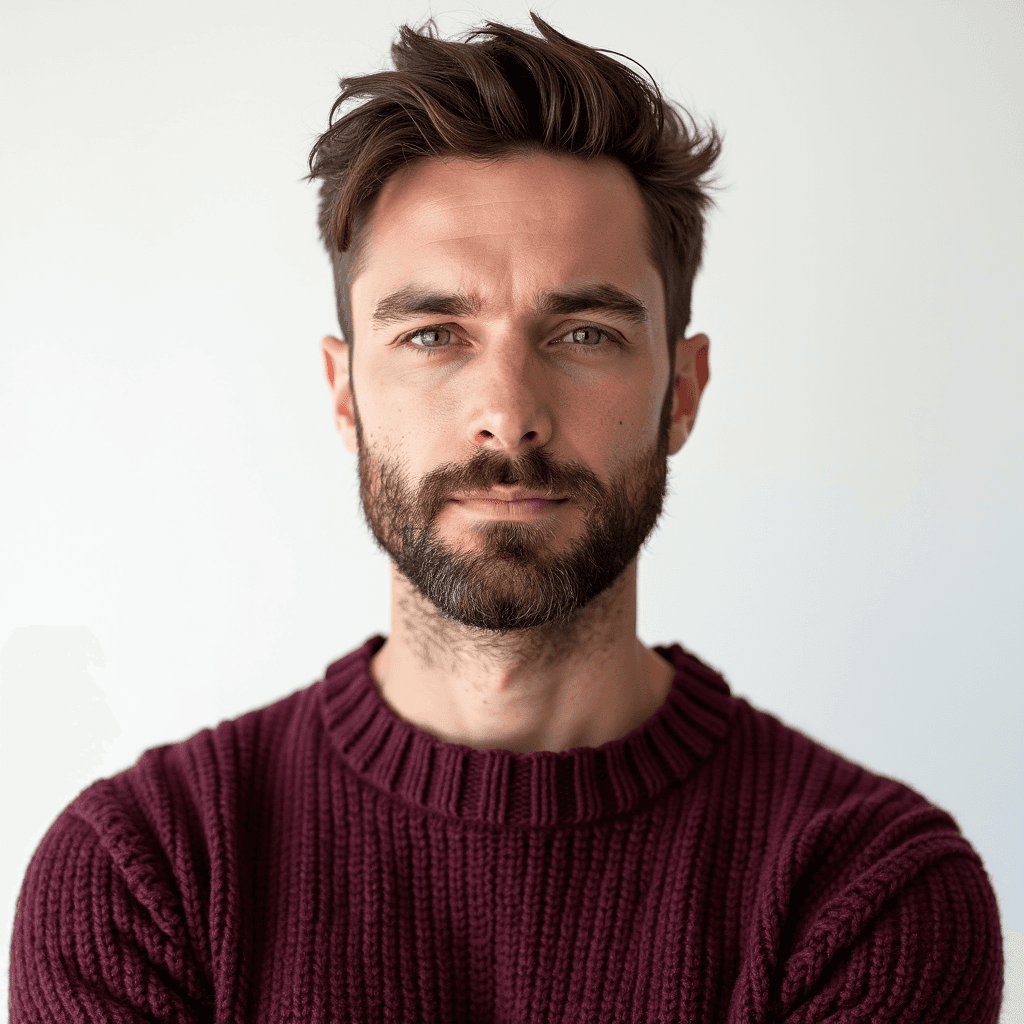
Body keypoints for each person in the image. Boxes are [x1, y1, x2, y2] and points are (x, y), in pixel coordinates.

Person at [9, 15, 1003, 1023]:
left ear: (684, 390)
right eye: (435, 333)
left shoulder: (864, 891)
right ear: (345, 391)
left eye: (583, 331)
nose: (508, 414)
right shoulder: (146, 877)